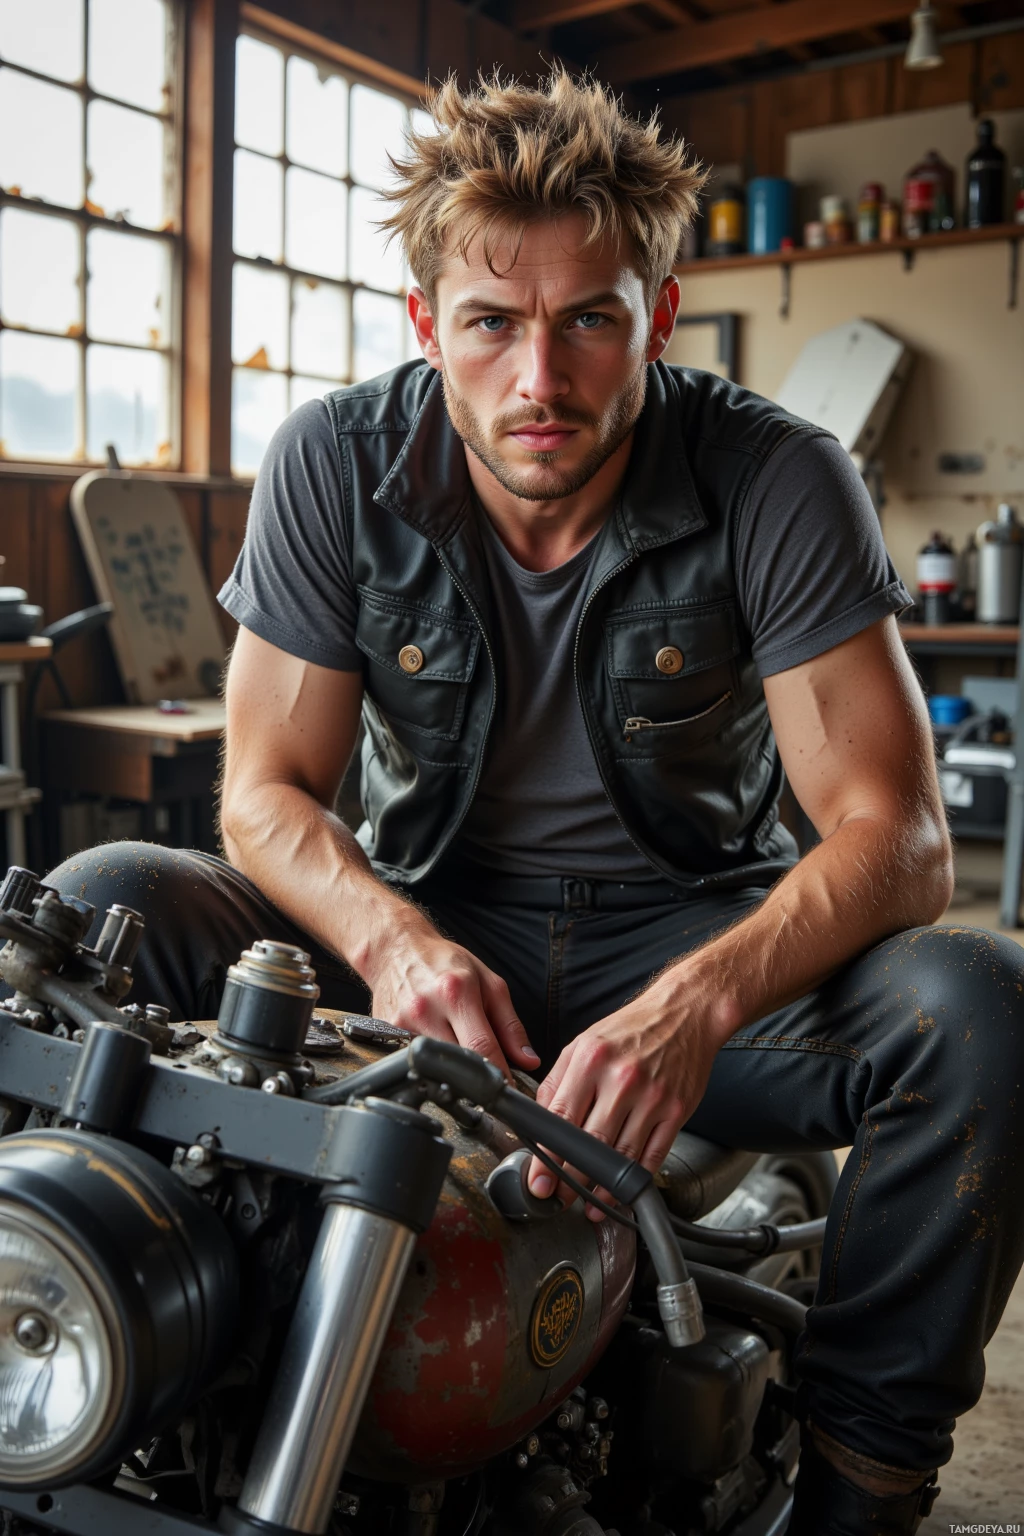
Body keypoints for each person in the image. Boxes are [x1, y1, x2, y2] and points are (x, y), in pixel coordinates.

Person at [37, 69, 1024, 1535]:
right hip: (431, 930)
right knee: (104, 902)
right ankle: (99, 1366)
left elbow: (903, 840)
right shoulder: (335, 463)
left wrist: (688, 1009)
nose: (540, 383)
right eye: (493, 324)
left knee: (984, 1008)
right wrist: (392, 944)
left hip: (691, 938)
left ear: (662, 318)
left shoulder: (778, 476)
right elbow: (265, 796)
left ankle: (859, 1491)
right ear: (431, 323)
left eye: (590, 321)